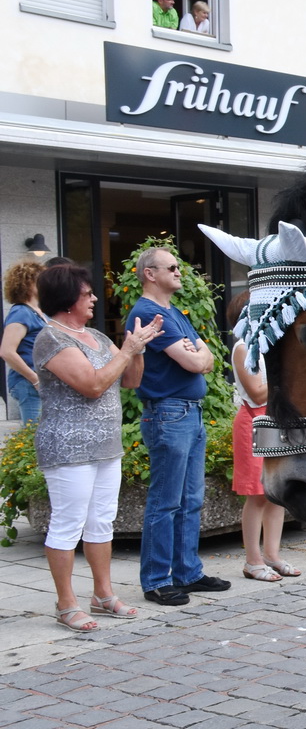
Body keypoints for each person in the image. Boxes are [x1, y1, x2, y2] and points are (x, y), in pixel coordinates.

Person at [31, 264, 163, 630]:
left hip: (106, 446)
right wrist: (127, 349)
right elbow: (92, 385)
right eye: (87, 293)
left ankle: (103, 595)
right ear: (67, 299)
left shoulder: (96, 336)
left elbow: (130, 380)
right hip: (68, 449)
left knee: (102, 522)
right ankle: (66, 603)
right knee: (67, 524)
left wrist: (137, 350)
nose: (93, 299)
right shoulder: (51, 338)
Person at [124, 247, 229, 606]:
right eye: (171, 267)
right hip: (169, 414)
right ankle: (156, 580)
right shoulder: (148, 313)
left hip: (189, 413)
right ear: (150, 274)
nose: (179, 271)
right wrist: (196, 356)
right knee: (166, 502)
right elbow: (194, 363)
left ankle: (187, 572)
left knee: (190, 500)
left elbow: (208, 357)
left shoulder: (174, 313)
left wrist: (197, 354)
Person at [228, 297, 295, 583]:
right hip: (254, 422)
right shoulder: (243, 347)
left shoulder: (267, 344)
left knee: (276, 493)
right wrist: (286, 379)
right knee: (256, 495)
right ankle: (253, 560)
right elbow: (256, 393)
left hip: (273, 419)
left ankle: (272, 554)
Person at [1, 260, 46, 422]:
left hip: (40, 381)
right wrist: (34, 379)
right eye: (40, 280)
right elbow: (7, 351)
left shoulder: (39, 312)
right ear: (27, 284)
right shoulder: (21, 312)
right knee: (34, 433)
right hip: (29, 383)